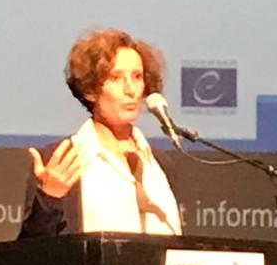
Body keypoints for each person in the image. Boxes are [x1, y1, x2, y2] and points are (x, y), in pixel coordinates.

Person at [18, 28, 182, 238]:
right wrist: (48, 199)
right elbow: (31, 250)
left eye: (137, 76)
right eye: (115, 78)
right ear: (91, 90)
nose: (130, 89)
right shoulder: (64, 159)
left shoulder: (159, 163)